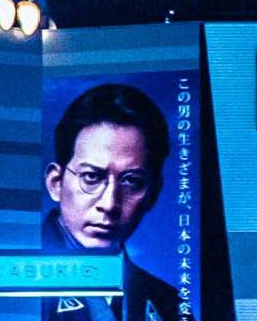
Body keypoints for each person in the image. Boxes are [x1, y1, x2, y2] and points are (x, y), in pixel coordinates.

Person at [41, 83, 185, 321]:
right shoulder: (7, 279)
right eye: (91, 177)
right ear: (56, 183)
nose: (109, 204)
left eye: (131, 181)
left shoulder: (171, 305)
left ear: (153, 193)